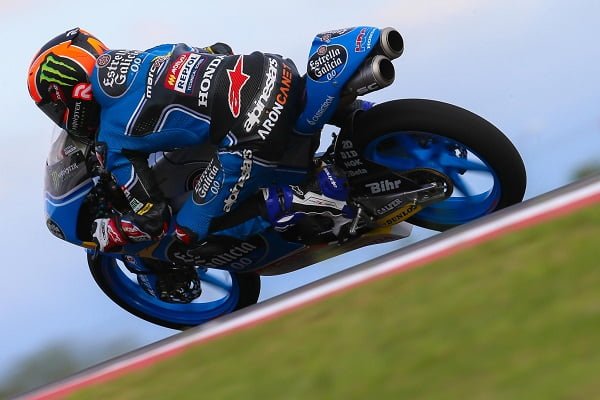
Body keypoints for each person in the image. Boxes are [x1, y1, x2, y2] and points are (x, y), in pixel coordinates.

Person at [28, 28, 356, 302]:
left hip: (251, 131)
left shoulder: (111, 140)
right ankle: (358, 122)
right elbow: (218, 49)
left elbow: (153, 219)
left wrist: (110, 231)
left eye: (54, 109)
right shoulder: (152, 54)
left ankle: (303, 199)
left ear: (68, 95)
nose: (60, 119)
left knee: (187, 229)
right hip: (272, 70)